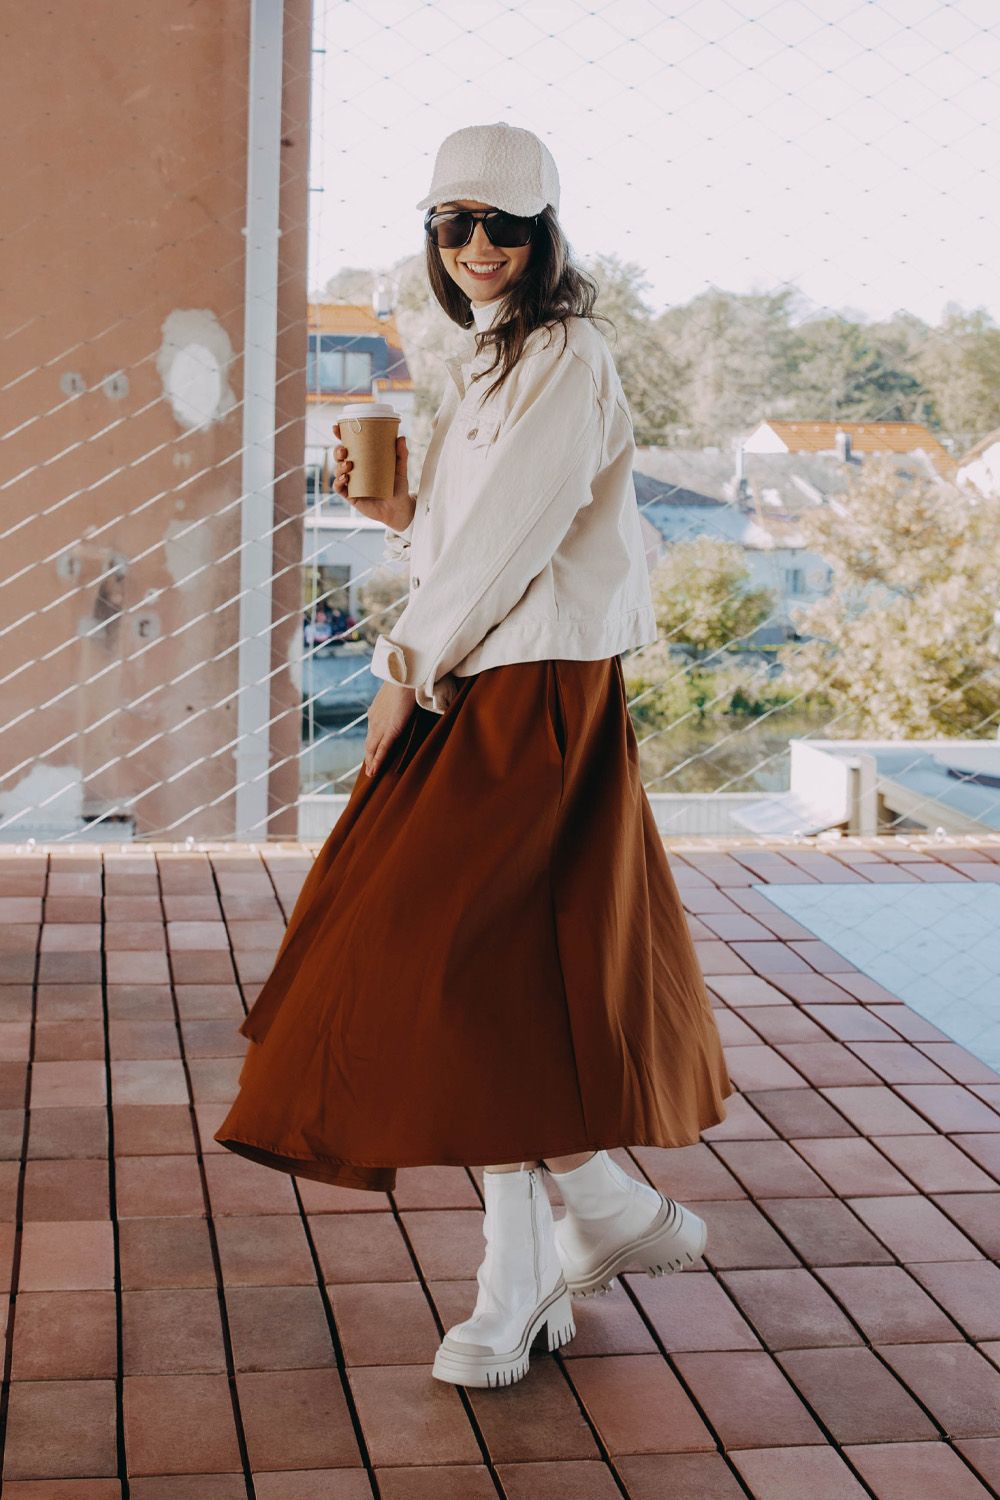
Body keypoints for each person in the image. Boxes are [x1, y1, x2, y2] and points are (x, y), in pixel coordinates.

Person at [214, 121, 733, 1390]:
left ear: (544, 235)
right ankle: (582, 1219)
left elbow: (514, 544)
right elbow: (471, 539)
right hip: (486, 678)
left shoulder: (564, 353)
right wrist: (400, 516)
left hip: (533, 689)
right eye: (454, 224)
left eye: (502, 225)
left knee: (438, 950)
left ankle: (549, 1255)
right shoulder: (489, 360)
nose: (477, 246)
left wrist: (401, 670)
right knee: (483, 973)